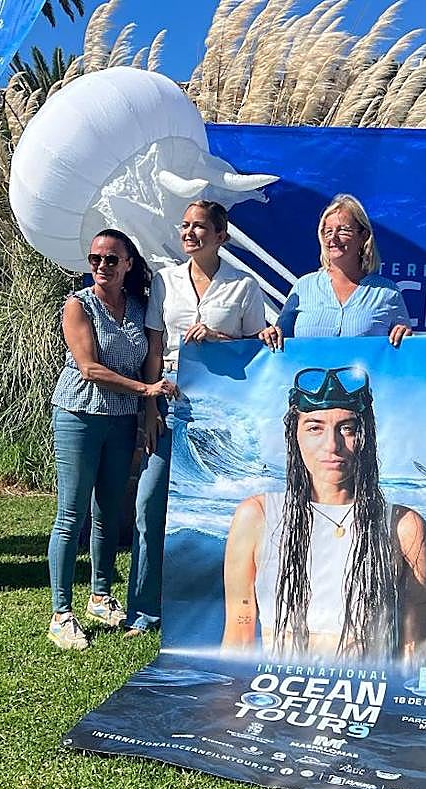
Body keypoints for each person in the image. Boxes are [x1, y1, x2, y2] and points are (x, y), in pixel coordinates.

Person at [220, 366, 426, 662]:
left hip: (363, 697)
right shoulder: (256, 516)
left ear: (366, 435)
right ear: (294, 434)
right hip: (282, 692)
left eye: (347, 428)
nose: (332, 446)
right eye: (314, 428)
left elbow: (416, 648)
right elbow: (237, 635)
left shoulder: (404, 527)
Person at [126, 200, 268, 637]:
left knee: (220, 513)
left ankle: (212, 606)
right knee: (150, 502)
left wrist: (219, 337)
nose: (189, 233)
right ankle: (144, 610)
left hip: (218, 407)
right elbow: (153, 348)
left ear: (221, 236)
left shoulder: (243, 286)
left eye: (199, 227)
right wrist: (149, 407)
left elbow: (254, 352)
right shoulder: (165, 283)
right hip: (168, 398)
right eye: (185, 225)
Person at [46, 229, 178, 651]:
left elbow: (150, 358)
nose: (101, 266)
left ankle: (101, 596)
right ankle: (61, 612)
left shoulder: (140, 308)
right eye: (95, 259)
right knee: (72, 515)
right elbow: (89, 368)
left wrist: (145, 414)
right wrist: (146, 392)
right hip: (79, 415)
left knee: (107, 514)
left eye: (111, 259)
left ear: (128, 264)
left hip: (121, 422)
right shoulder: (77, 305)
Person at [258, 194, 412, 349]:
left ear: (363, 236)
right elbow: (279, 342)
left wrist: (405, 337)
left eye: (343, 230)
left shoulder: (387, 292)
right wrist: (271, 334)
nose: (333, 238)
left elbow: (403, 353)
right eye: (328, 231)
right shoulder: (303, 286)